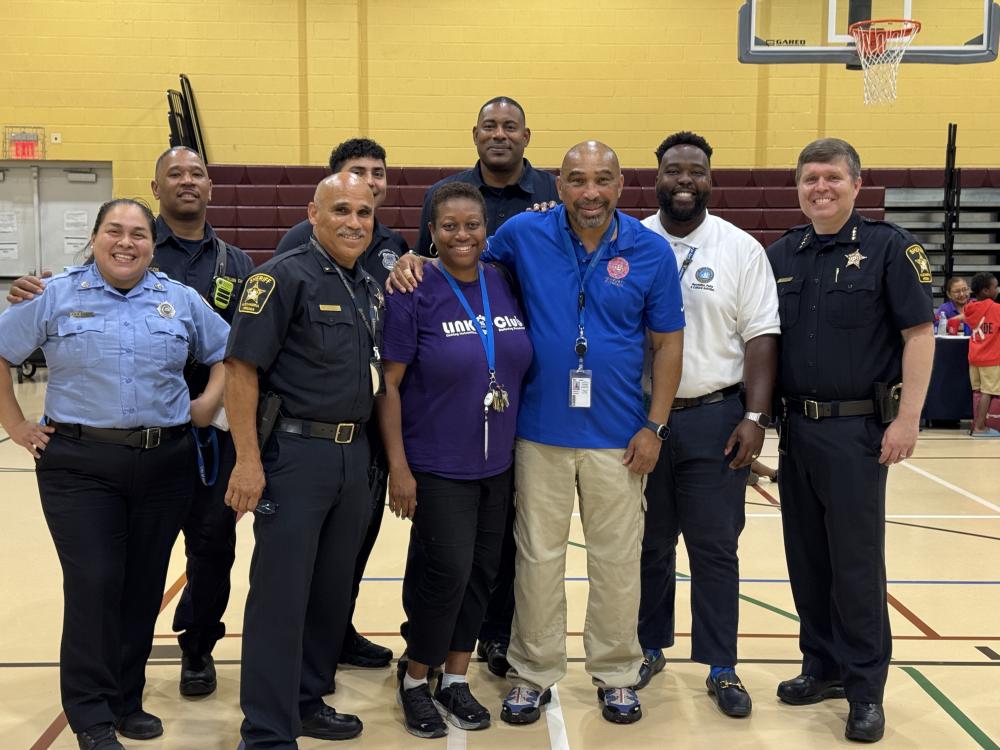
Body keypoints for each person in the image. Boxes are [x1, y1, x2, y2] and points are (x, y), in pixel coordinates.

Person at [390, 141, 685, 725]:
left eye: (602, 179)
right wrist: (414, 260)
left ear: (623, 184)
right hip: (535, 434)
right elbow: (461, 257)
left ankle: (618, 673)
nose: (590, 192)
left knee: (618, 560)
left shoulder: (650, 251)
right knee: (536, 559)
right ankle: (532, 672)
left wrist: (656, 425)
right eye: (576, 180)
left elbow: (668, 343)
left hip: (619, 436)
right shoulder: (523, 235)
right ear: (560, 187)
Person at [6, 146, 254, 699]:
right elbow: (6, 344)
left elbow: (234, 351)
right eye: (114, 231)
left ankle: (158, 677)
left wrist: (209, 407)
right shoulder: (62, 290)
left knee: (175, 569)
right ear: (94, 239)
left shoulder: (218, 273)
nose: (126, 242)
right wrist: (18, 426)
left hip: (181, 448)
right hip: (86, 456)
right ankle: (93, 709)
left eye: (135, 234)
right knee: (96, 580)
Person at [768, 138, 934, 743]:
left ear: (857, 184)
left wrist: (908, 419)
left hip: (858, 432)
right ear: (799, 187)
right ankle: (824, 667)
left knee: (856, 567)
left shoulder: (891, 248)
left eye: (833, 178)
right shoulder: (783, 252)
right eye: (811, 178)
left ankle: (866, 689)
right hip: (796, 430)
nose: (821, 188)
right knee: (807, 558)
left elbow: (919, 335)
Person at [225, 173, 383, 749]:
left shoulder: (366, 285)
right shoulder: (280, 278)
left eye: (364, 213)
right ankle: (266, 729)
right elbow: (242, 371)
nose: (354, 222)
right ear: (313, 213)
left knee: (329, 591)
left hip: (353, 455)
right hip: (294, 455)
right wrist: (248, 461)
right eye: (341, 209)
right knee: (281, 594)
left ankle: (307, 700)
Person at [380, 182, 532, 738]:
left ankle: (456, 678)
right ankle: (417, 677)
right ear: (431, 232)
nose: (461, 235)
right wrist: (399, 467)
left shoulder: (502, 281)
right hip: (438, 462)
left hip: (499, 463)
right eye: (449, 226)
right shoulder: (413, 288)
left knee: (480, 576)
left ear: (485, 229)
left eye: (472, 225)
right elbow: (388, 386)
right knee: (443, 575)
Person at [636, 131, 779, 718]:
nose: (685, 181)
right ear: (658, 177)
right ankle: (647, 647)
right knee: (648, 544)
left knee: (715, 547)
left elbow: (762, 335)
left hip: (715, 414)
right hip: (638, 419)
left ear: (710, 178)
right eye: (674, 170)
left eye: (696, 171)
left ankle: (721, 664)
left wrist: (754, 416)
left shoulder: (741, 249)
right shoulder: (629, 239)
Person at [415, 96, 559, 678]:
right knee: (445, 558)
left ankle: (490, 641)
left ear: (527, 135)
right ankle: (422, 653)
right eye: (490, 126)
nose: (500, 135)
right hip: (450, 395)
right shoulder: (445, 192)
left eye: (510, 127)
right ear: (475, 134)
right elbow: (422, 265)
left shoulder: (555, 190)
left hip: (518, 373)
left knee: (498, 549)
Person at [275, 137, 405, 676]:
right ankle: (288, 684)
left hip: (364, 433)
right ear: (318, 205)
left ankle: (333, 643)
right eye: (358, 172)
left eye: (377, 174)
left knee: (347, 555)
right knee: (296, 572)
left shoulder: (390, 248)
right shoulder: (293, 257)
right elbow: (254, 360)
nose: (369, 182)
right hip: (302, 439)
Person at [963, 271, 1000, 437]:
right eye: (995, 287)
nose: (997, 289)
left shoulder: (969, 307)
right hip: (991, 357)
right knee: (988, 392)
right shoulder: (996, 309)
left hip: (975, 357)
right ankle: (980, 427)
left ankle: (975, 424)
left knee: (977, 391)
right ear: (986, 291)